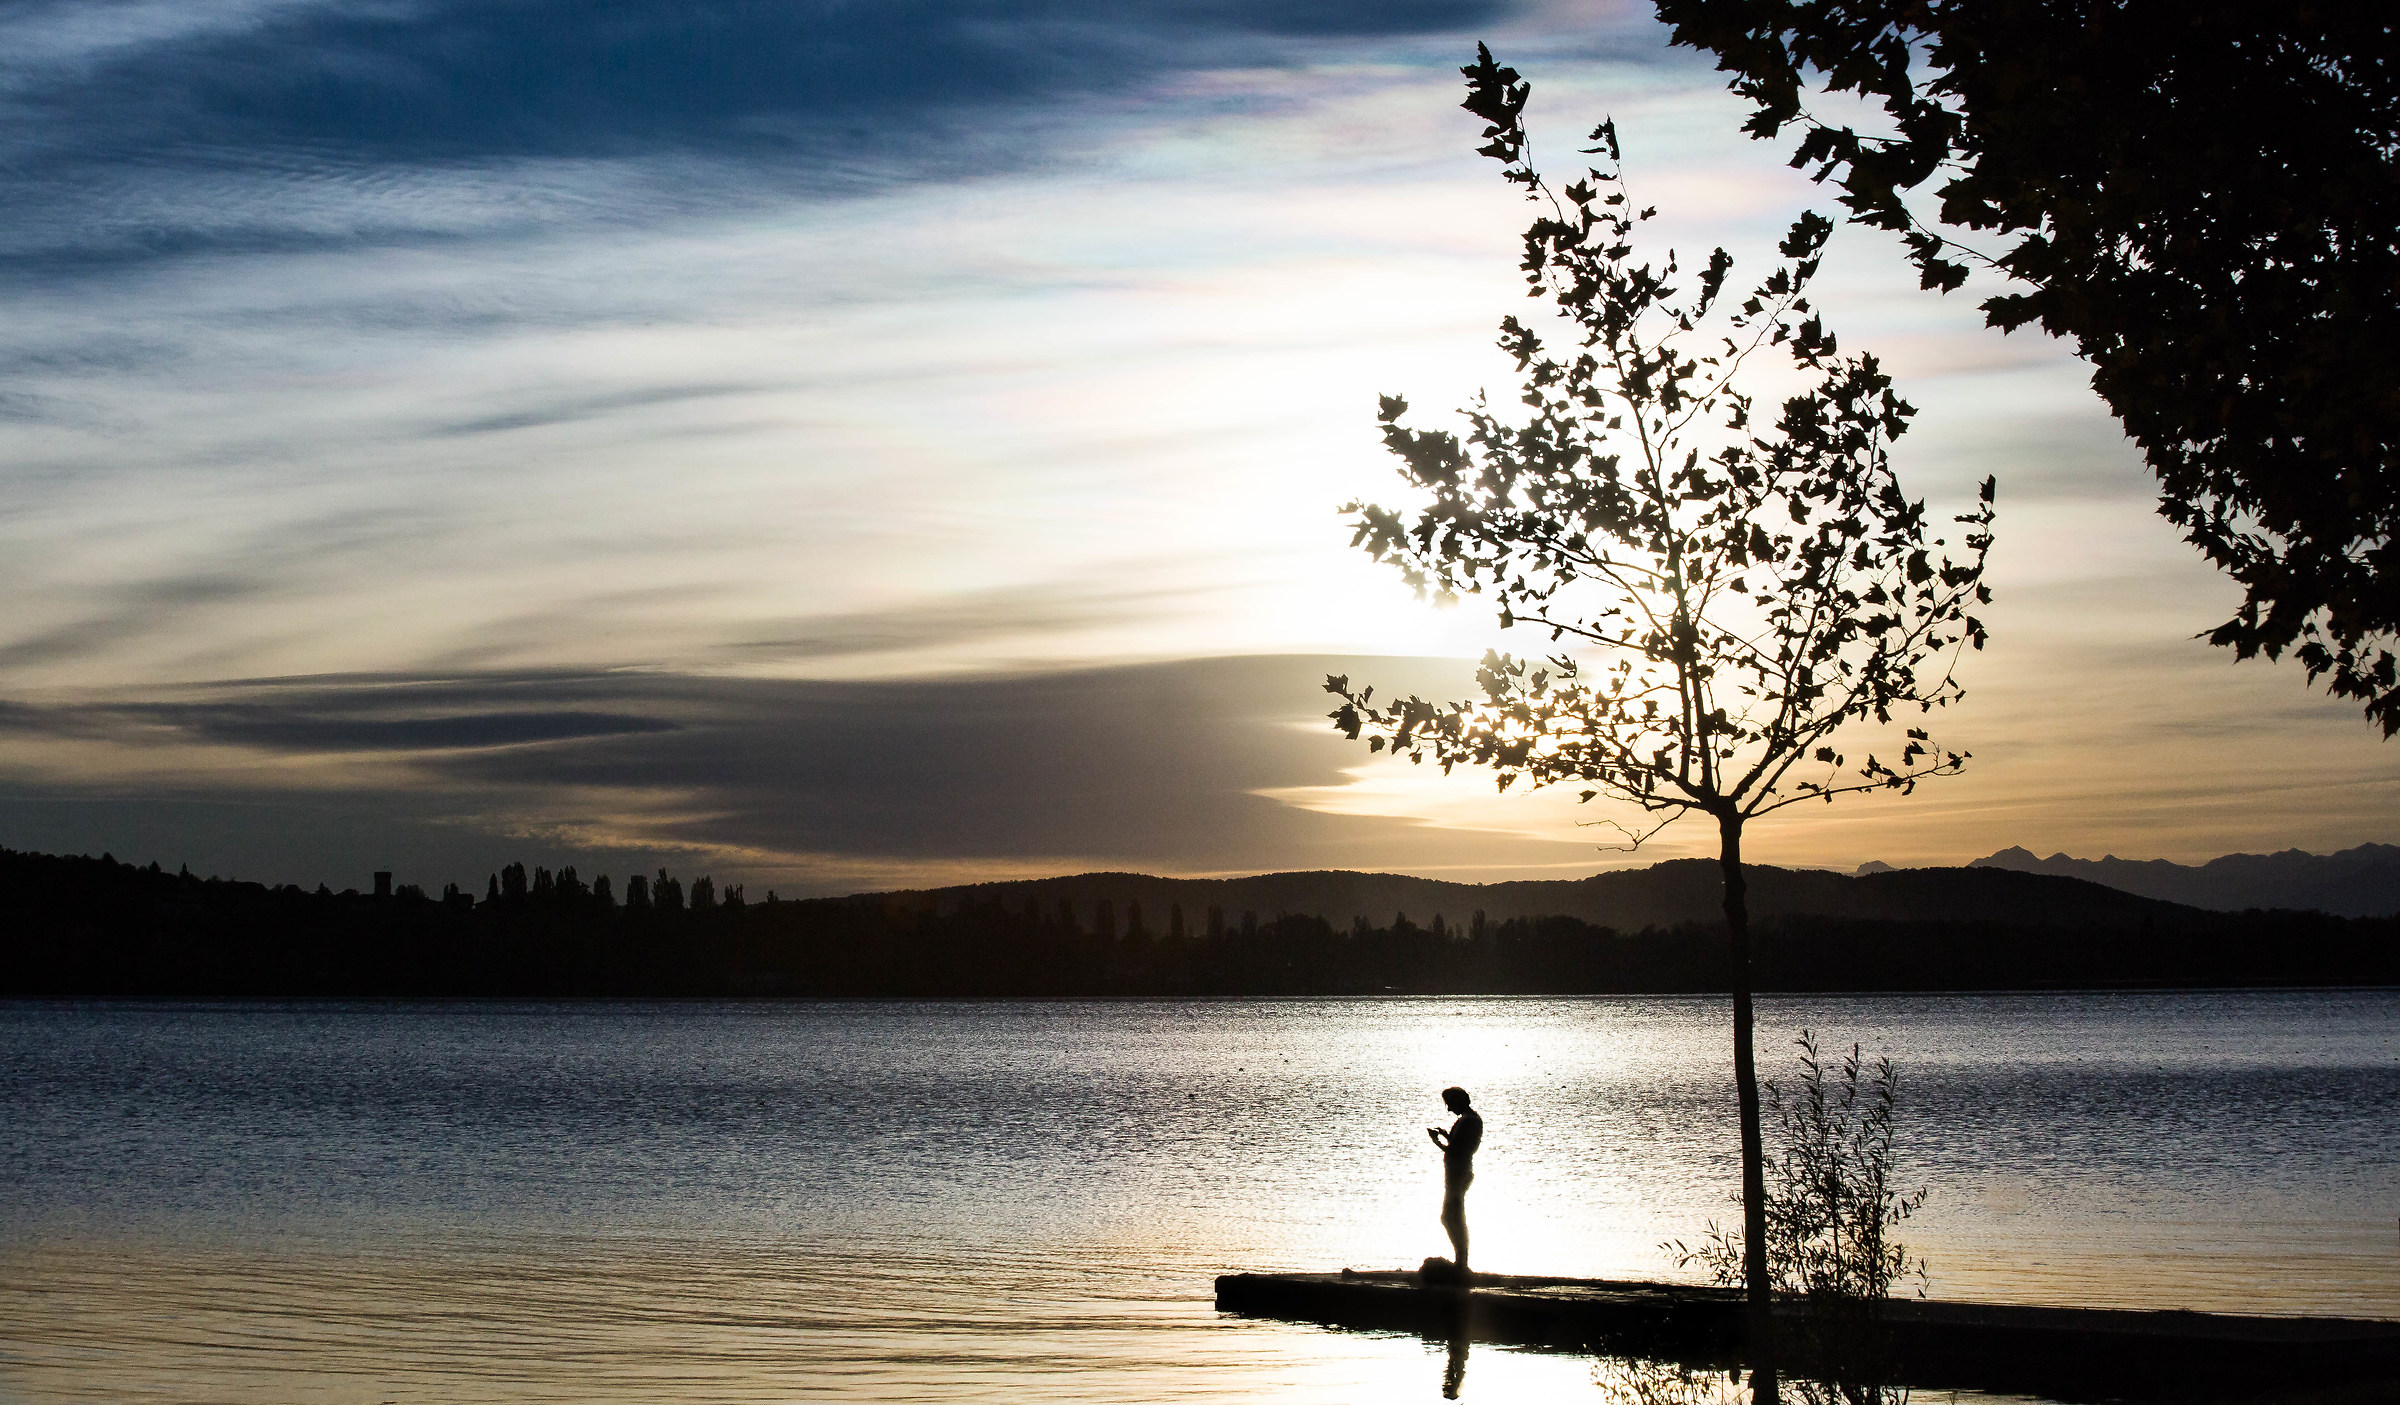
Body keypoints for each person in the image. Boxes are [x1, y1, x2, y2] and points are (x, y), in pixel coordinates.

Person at [1426, 1086, 1483, 1275]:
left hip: (1459, 1174)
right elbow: (1460, 1145)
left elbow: (1459, 1150)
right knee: (1454, 1216)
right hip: (1457, 1174)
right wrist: (1446, 1135)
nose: (1449, 1109)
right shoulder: (1468, 1120)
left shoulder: (1469, 1121)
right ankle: (1461, 1260)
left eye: (1450, 1104)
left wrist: (1436, 1142)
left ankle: (1461, 1262)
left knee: (1451, 1217)